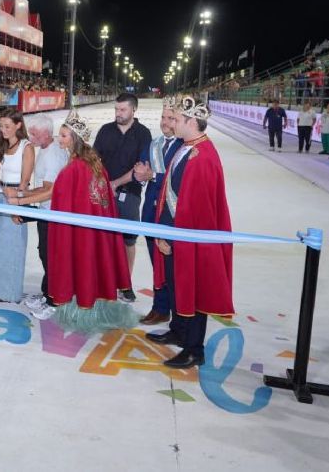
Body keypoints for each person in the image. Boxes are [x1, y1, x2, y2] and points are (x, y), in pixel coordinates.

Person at [147, 97, 233, 369]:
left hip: (185, 238)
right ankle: (179, 329)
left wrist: (170, 236)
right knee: (176, 284)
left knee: (194, 289)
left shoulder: (203, 156)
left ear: (192, 122)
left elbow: (197, 207)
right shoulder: (187, 148)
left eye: (178, 119)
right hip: (174, 233)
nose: (173, 123)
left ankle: (194, 347)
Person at [45, 109, 136, 329]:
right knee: (95, 265)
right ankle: (95, 306)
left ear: (74, 139)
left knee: (81, 266)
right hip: (96, 232)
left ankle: (80, 308)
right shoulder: (95, 164)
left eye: (64, 135)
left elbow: (62, 207)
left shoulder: (72, 170)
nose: (60, 138)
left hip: (80, 234)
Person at [92, 93, 151, 302]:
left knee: (128, 240)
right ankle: (101, 280)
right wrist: (102, 183)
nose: (118, 113)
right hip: (103, 193)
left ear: (134, 110)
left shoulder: (143, 134)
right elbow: (94, 159)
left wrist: (114, 184)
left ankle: (125, 284)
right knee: (102, 237)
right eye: (116, 109)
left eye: (123, 110)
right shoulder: (106, 130)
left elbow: (140, 168)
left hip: (130, 194)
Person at [10, 113, 69, 312]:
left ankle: (53, 300)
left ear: (45, 134)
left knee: (49, 255)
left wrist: (22, 200)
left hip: (52, 215)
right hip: (47, 212)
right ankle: (48, 294)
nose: (30, 137)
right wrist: (25, 195)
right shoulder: (45, 148)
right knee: (45, 254)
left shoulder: (52, 155)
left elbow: (47, 191)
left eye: (34, 134)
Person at [132, 98, 183, 325]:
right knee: (156, 262)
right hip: (150, 212)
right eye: (163, 117)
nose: (165, 122)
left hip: (170, 215)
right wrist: (140, 173)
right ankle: (160, 307)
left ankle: (174, 309)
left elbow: (177, 181)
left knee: (171, 266)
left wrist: (152, 175)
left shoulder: (183, 147)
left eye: (171, 118)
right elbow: (142, 169)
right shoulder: (154, 144)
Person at [0, 109, 34, 304]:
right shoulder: (1, 146)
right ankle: (0, 291)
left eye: (7, 126)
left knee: (15, 247)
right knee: (2, 246)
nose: (3, 130)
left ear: (18, 125)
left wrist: (17, 202)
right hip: (2, 198)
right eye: (1, 126)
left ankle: (12, 292)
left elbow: (25, 180)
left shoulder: (27, 147)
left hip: (17, 199)